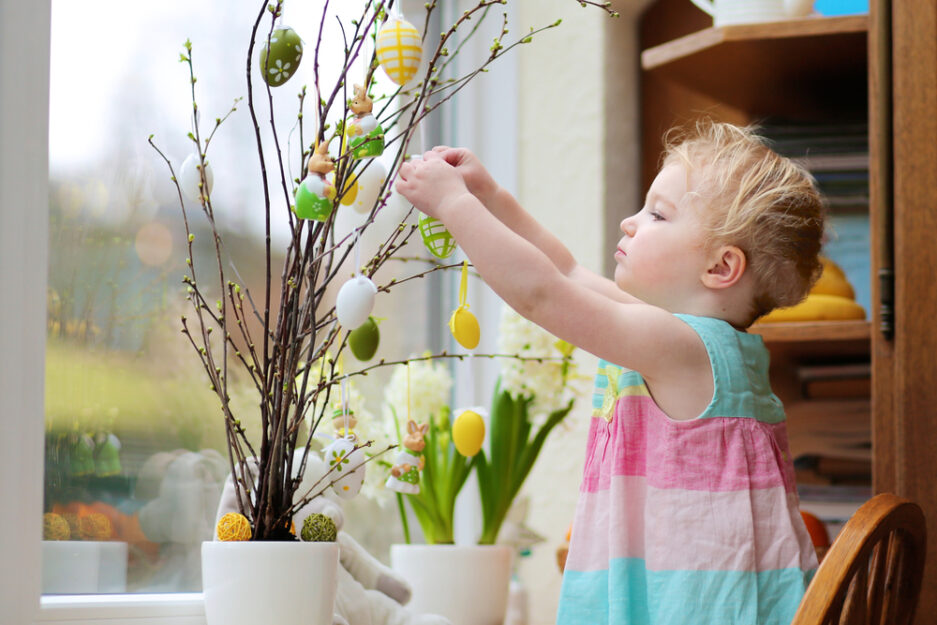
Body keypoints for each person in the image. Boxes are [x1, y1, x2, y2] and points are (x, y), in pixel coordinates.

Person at [396, 119, 823, 625]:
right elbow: (566, 272)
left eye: (658, 215)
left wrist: (453, 206)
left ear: (720, 268)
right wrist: (489, 195)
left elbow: (542, 294)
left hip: (696, 608)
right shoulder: (689, 341)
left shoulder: (682, 348)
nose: (630, 222)